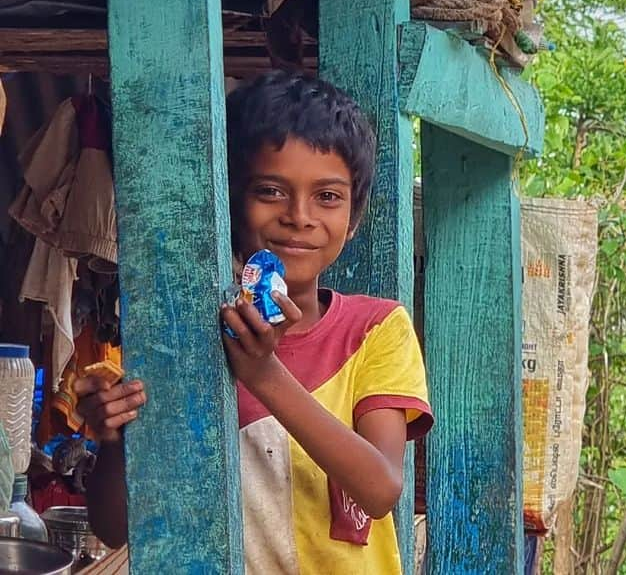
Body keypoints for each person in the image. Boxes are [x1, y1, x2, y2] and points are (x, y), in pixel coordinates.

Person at [76, 72, 432, 573]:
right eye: (271, 190)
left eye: (327, 196)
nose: (299, 216)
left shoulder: (375, 330)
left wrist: (264, 375)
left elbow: (379, 489)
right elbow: (116, 528)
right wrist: (112, 442)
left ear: (353, 219)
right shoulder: (183, 341)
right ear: (228, 203)